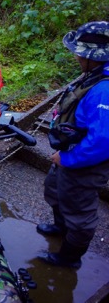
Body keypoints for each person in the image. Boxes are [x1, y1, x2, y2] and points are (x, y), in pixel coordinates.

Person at [37, 20, 109, 269]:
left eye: (80, 52)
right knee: (55, 189)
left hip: (86, 161)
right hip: (71, 148)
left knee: (80, 214)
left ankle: (69, 258)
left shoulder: (104, 90)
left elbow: (103, 141)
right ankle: (60, 226)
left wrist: (67, 159)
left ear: (94, 56)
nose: (76, 55)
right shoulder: (95, 74)